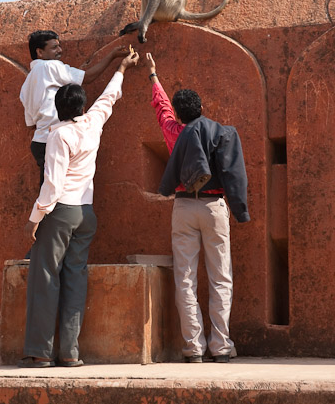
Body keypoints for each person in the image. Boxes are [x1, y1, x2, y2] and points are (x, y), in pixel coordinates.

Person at [18, 48, 139, 368]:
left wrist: (35, 217)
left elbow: (53, 185)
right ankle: (70, 352)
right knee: (75, 279)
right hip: (86, 213)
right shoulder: (92, 124)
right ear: (81, 105)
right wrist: (122, 68)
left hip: (60, 212)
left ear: (58, 108)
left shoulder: (59, 135)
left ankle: (40, 352)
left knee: (45, 278)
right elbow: (108, 99)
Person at [145, 52, 250, 364]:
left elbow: (161, 109)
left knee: (186, 278)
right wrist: (240, 209)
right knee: (221, 278)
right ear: (202, 109)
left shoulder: (174, 132)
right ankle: (220, 346)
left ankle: (193, 348)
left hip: (183, 209)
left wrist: (153, 76)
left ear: (179, 115)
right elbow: (234, 173)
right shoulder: (220, 133)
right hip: (215, 207)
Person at [20, 30, 129, 187]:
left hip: (39, 142)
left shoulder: (27, 83)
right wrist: (112, 56)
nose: (60, 51)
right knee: (62, 191)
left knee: (50, 187)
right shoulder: (51, 66)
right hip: (57, 139)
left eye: (59, 46)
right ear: (40, 52)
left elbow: (30, 125)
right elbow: (87, 77)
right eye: (54, 47)